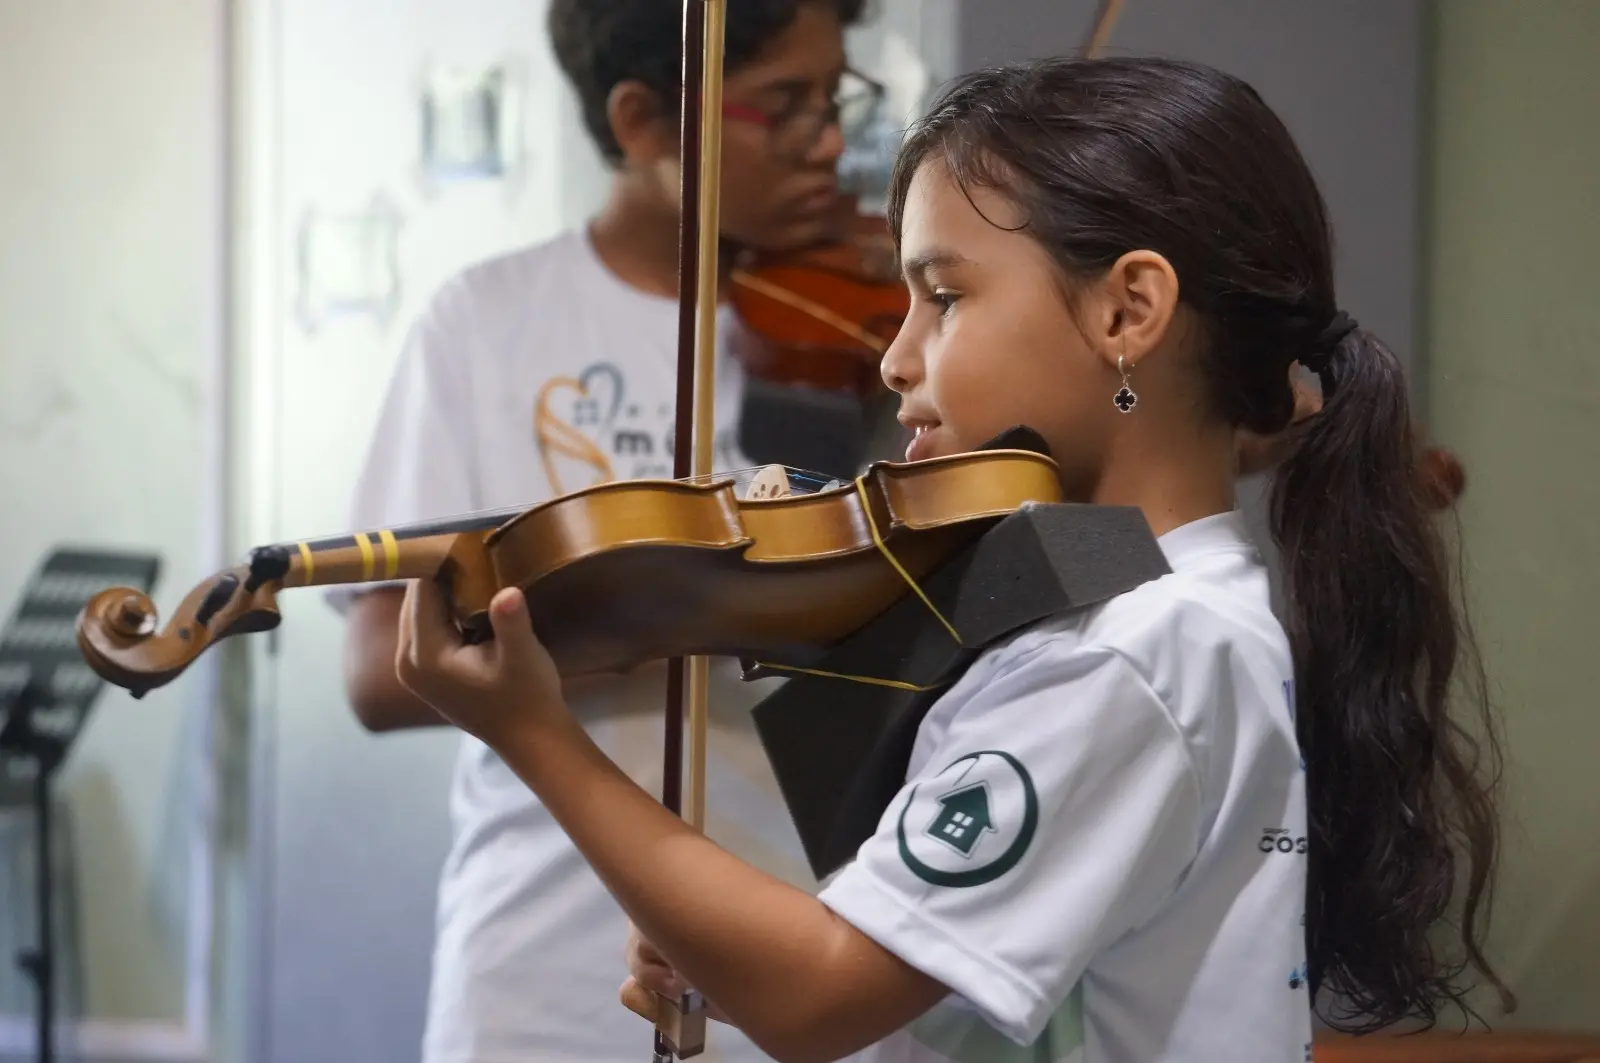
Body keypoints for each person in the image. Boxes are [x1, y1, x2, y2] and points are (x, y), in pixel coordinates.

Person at [388, 54, 1512, 1063]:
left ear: (1129, 307)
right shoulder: (1133, 611)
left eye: (944, 295)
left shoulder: (1134, 656)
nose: (894, 357)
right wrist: (742, 952)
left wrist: (534, 732)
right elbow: (971, 971)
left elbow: (817, 998)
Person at [330, 3, 873, 1061]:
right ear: (641, 123)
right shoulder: (487, 320)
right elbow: (376, 673)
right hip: (538, 960)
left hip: (800, 942)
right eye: (784, 107)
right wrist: (647, 611)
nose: (831, 144)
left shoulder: (877, 331)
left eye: (837, 97)